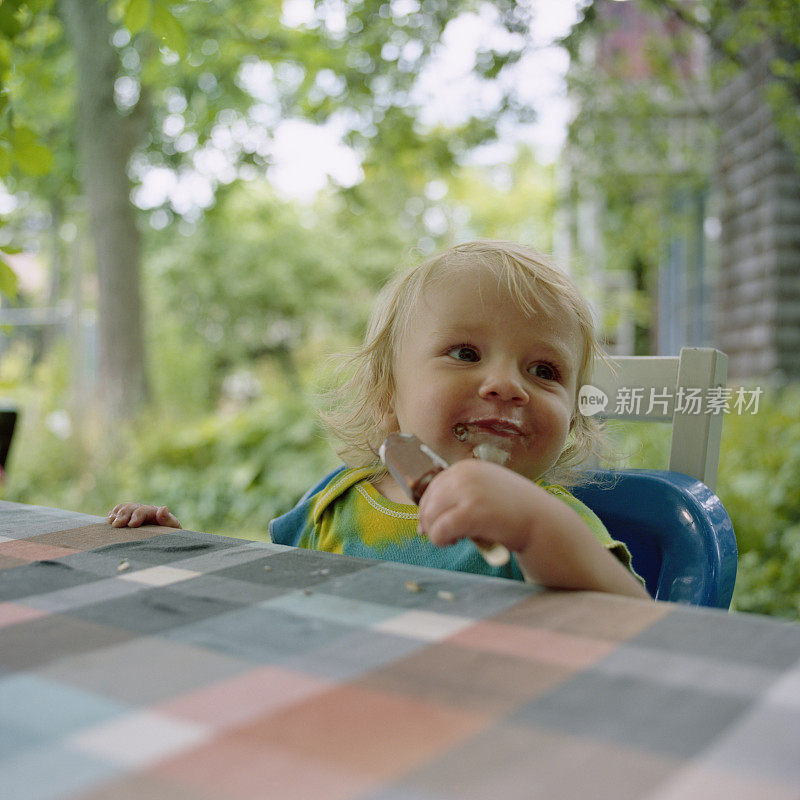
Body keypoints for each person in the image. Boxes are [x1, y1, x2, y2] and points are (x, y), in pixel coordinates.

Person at [109, 240, 649, 599]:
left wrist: (531, 527)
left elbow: (639, 622)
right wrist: (184, 552)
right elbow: (269, 591)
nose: (507, 384)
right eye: (465, 353)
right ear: (388, 392)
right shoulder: (335, 505)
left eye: (544, 370)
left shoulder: (550, 525)